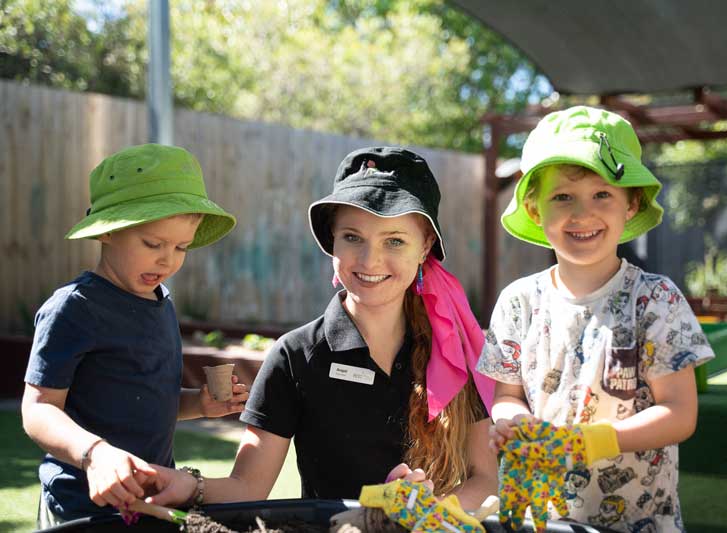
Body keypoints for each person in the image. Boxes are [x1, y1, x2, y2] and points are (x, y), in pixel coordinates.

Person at [146, 146, 498, 511]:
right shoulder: (294, 355)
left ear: (425, 246)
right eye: (352, 237)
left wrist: (424, 513)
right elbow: (246, 487)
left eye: (394, 240)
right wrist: (186, 484)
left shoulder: (456, 353)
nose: (369, 260)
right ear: (332, 239)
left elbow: (486, 480)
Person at [476, 106, 714, 532]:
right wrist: (512, 422)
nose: (582, 214)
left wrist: (589, 443)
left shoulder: (655, 300)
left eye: (602, 194)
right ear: (534, 209)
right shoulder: (518, 301)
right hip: (544, 519)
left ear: (631, 203)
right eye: (562, 197)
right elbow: (506, 394)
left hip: (641, 521)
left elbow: (680, 413)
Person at [21, 144, 247, 526]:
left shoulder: (160, 302)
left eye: (181, 247)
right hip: (81, 506)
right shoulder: (74, 308)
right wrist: (96, 453)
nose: (168, 260)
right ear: (108, 230)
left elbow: (142, 400)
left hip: (151, 497)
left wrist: (199, 405)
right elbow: (38, 409)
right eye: (153, 244)